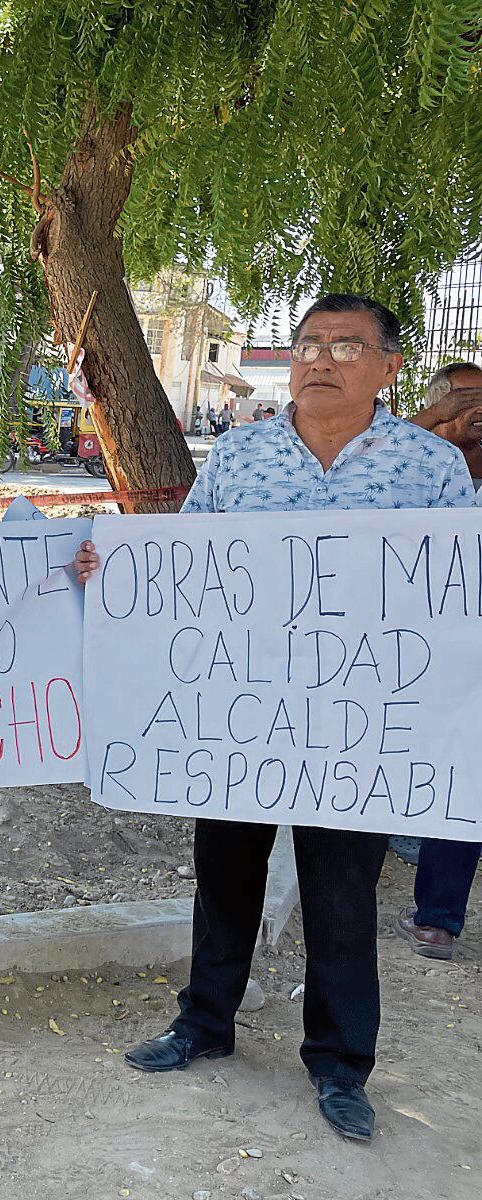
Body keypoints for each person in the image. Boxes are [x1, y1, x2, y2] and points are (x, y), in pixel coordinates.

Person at [74, 293, 476, 1143]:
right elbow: (182, 566)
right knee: (224, 874)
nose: (322, 359)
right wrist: (111, 565)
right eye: (309, 345)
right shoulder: (240, 454)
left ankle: (340, 1064)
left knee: (341, 894)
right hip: (240, 717)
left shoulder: (429, 468)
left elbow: (457, 593)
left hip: (360, 725)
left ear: (390, 368)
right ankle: (204, 1022)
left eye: (347, 345)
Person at [393, 360, 482, 958]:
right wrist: (436, 429)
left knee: (468, 771)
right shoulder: (415, 461)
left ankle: (437, 920)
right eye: (470, 403)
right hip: (414, 647)